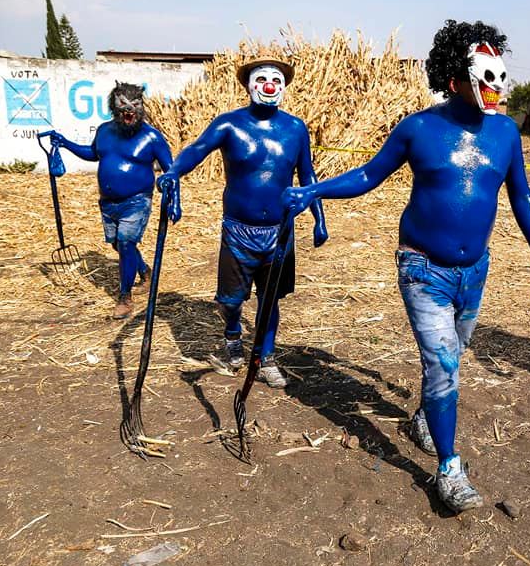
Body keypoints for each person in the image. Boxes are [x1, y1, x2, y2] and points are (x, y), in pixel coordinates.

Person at [283, 20, 530, 512]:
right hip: (422, 270)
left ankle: (425, 418)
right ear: (455, 80)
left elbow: (522, 196)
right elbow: (368, 174)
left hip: (475, 272)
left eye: (499, 77)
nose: (494, 88)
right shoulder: (418, 129)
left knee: (454, 354)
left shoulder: (505, 133)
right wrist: (314, 190)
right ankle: (449, 470)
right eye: (483, 78)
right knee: (443, 364)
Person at [156, 59, 328, 387]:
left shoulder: (295, 129)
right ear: (248, 86)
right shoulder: (229, 125)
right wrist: (173, 172)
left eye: (276, 80)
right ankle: (233, 336)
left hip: (280, 232)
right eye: (261, 79)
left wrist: (319, 217)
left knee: (269, 299)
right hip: (238, 231)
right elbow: (197, 150)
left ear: (284, 87)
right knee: (231, 301)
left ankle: (267, 358)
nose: (269, 85)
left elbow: (307, 176)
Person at [42, 82, 173, 319]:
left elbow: (171, 170)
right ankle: (144, 271)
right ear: (114, 107)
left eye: (135, 105)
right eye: (123, 105)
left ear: (142, 107)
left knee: (125, 242)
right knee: (119, 245)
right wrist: (65, 143)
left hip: (137, 200)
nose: (129, 110)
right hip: (108, 202)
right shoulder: (104, 131)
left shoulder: (153, 138)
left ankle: (124, 297)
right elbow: (93, 153)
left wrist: (174, 198)